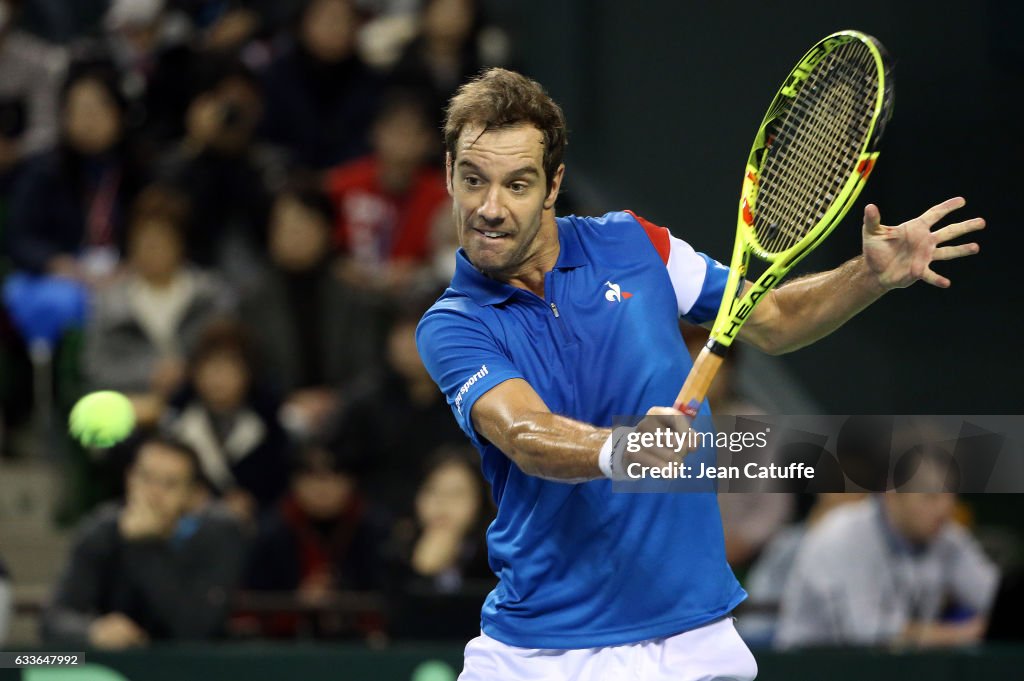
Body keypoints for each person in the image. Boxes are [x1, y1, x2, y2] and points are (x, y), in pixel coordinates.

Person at [414, 68, 985, 680]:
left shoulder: (637, 246)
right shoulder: (452, 324)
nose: (490, 208)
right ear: (449, 174)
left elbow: (771, 318)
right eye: (473, 180)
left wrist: (867, 276)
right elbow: (525, 436)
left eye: (517, 184)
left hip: (689, 641)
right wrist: (623, 451)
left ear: (553, 185)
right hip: (538, 653)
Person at [41, 437, 247, 649]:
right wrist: (93, 630)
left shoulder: (220, 535)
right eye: (146, 478)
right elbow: (55, 619)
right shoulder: (102, 530)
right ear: (129, 478)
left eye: (170, 484)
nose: (154, 493)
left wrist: (143, 545)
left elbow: (195, 629)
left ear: (192, 495)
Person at [83, 184, 235, 427]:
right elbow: (96, 368)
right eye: (143, 241)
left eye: (160, 242)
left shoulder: (211, 296)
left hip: (204, 404)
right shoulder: (108, 301)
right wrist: (149, 374)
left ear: (180, 244)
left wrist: (187, 372)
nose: (150, 250)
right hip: (131, 406)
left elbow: (229, 357)